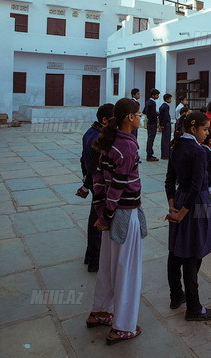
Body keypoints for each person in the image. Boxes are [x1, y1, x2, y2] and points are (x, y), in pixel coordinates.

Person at [86, 98, 147, 345]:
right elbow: (118, 186)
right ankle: (122, 326)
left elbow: (98, 179)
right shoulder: (127, 147)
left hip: (110, 215)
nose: (141, 117)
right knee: (127, 270)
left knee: (109, 267)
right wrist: (108, 215)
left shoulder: (111, 141)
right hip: (122, 214)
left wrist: (101, 213)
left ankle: (100, 312)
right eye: (139, 114)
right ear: (129, 118)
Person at [165, 111, 211, 320]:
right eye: (205, 129)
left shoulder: (176, 145)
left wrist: (173, 207)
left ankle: (176, 295)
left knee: (177, 250)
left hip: (180, 200)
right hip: (195, 204)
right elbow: (198, 186)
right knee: (192, 254)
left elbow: (170, 181)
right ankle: (194, 307)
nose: (207, 133)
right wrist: (182, 214)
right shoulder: (199, 151)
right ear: (194, 129)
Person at [78, 102, 114, 273]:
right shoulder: (98, 138)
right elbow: (93, 165)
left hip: (92, 182)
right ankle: (94, 259)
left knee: (95, 217)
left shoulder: (89, 132)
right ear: (105, 120)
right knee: (98, 220)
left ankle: (90, 255)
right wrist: (87, 184)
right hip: (97, 184)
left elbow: (82, 160)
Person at [143, 89, 160, 161]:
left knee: (149, 138)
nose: (158, 96)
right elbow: (153, 114)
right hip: (153, 122)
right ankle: (149, 154)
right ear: (153, 95)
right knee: (151, 139)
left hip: (149, 122)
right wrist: (157, 113)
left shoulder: (147, 102)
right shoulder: (152, 103)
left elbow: (144, 111)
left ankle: (149, 153)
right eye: (157, 95)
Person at [158, 94, 173, 160]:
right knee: (166, 139)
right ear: (167, 99)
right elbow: (165, 117)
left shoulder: (162, 106)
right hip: (166, 124)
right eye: (170, 99)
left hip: (164, 124)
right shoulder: (166, 106)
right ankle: (166, 154)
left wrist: (161, 124)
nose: (171, 100)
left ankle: (164, 154)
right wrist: (163, 124)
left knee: (164, 139)